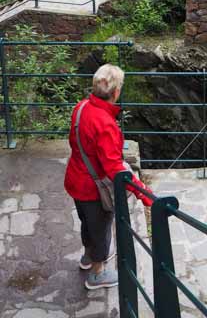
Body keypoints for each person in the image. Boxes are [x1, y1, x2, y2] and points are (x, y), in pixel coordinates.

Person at [64, 63, 154, 290]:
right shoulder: (105, 124)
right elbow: (114, 167)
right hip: (93, 189)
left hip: (76, 179)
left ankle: (87, 257)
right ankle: (97, 273)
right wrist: (144, 193)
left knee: (86, 221)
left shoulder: (81, 107)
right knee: (101, 227)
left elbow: (76, 143)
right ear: (116, 92)